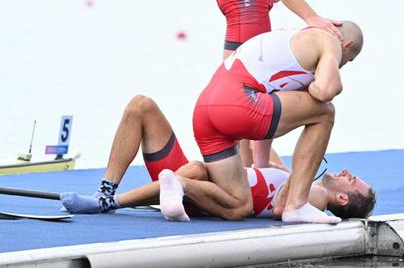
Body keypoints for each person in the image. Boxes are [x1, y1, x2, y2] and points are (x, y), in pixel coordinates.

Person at [61, 95, 376, 221]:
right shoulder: (285, 171)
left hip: (213, 195)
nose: (348, 172)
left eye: (352, 181)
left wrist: (309, 157)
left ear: (342, 199)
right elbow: (256, 137)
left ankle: (110, 202)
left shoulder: (317, 196)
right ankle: (108, 189)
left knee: (196, 170)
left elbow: (285, 208)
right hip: (203, 177)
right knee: (140, 106)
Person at [192, 21, 363, 224]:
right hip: (237, 103)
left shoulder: (294, 43)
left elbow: (270, 109)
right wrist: (317, 88)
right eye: (348, 61)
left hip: (204, 111)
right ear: (348, 45)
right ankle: (296, 205)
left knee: (238, 204)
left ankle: (175, 186)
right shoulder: (329, 42)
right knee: (325, 112)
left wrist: (262, 167)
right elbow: (327, 90)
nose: (341, 65)